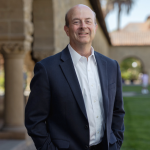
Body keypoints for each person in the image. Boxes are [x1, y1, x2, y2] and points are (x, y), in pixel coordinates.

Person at [25, 4, 125, 150]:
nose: (83, 26)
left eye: (88, 21)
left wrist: (116, 142)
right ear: (67, 29)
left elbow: (117, 110)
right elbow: (34, 119)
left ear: (95, 27)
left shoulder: (111, 66)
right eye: (76, 22)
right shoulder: (47, 69)